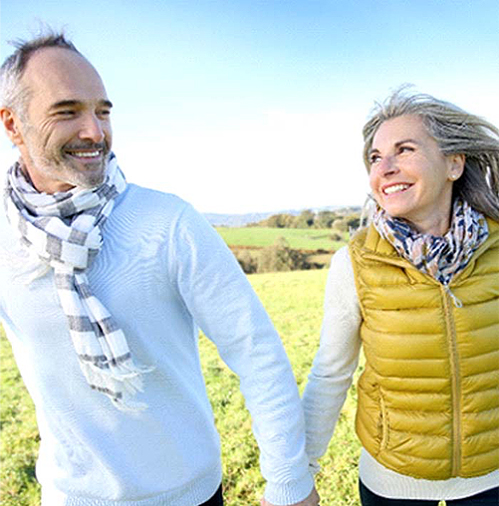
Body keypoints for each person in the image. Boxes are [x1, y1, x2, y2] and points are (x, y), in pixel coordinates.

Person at [0, 31, 320, 506]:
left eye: (103, 111)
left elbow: (256, 351)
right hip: (70, 497)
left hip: (188, 494)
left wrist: (289, 483)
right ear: (12, 123)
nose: (94, 131)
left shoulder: (167, 222)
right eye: (67, 111)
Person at [302, 89, 499, 505]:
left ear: (454, 163)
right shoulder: (354, 263)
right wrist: (301, 473)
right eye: (375, 158)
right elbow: (330, 374)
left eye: (404, 150)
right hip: (392, 486)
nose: (385, 168)